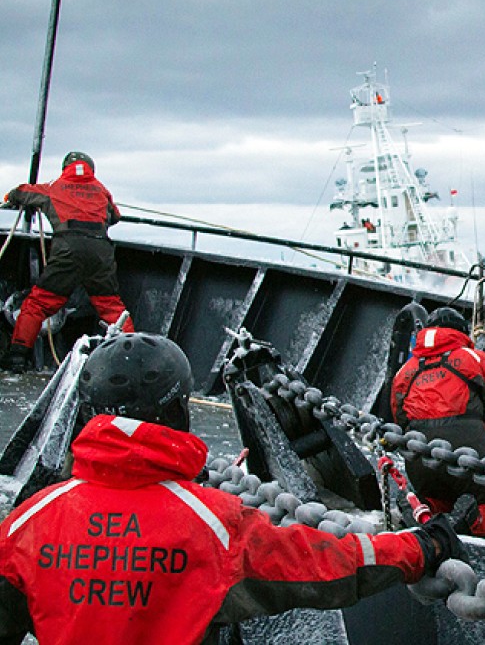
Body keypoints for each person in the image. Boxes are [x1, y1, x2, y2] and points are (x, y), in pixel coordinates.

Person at [0, 333, 460, 645]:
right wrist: (423, 547)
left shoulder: (30, 522)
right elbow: (324, 565)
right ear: (177, 412)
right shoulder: (211, 524)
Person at [390, 307, 485, 537]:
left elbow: (399, 418)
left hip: (421, 457)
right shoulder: (472, 358)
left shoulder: (406, 370)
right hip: (467, 449)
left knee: (439, 497)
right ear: (461, 332)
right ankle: (472, 521)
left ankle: (423, 507)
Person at [0, 152, 135, 373]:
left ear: (65, 168)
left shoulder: (54, 187)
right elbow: (115, 216)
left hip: (68, 250)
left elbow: (23, 192)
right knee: (111, 307)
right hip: (100, 251)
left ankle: (17, 356)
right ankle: (132, 356)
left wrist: (10, 196)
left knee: (38, 304)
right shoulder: (101, 190)